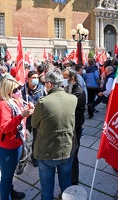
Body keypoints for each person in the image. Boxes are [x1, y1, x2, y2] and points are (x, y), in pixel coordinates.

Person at [31, 68, 78, 200]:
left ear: (50, 84)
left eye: (45, 83)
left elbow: (34, 123)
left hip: (47, 151)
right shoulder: (73, 98)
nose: (44, 85)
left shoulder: (43, 102)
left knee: (47, 191)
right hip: (67, 149)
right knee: (66, 186)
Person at [0, 77, 34, 200]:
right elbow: (6, 127)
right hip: (7, 146)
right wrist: (21, 116)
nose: (19, 90)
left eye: (19, 88)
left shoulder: (16, 100)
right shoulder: (3, 104)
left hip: (17, 142)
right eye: (15, 89)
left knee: (10, 174)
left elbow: (21, 121)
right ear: (7, 91)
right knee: (6, 178)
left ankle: (11, 192)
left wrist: (28, 110)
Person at [16, 71, 45, 175]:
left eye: (37, 77)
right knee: (26, 140)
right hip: (27, 120)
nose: (36, 79)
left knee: (37, 140)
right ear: (28, 79)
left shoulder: (41, 88)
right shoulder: (22, 89)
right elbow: (18, 104)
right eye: (33, 77)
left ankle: (34, 157)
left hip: (38, 119)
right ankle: (23, 160)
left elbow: (45, 101)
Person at [62, 68, 86, 185]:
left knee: (73, 155)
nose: (63, 80)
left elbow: (68, 108)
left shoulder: (78, 92)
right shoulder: (68, 89)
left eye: (65, 78)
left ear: (72, 78)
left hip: (74, 128)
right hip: (68, 127)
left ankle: (73, 182)